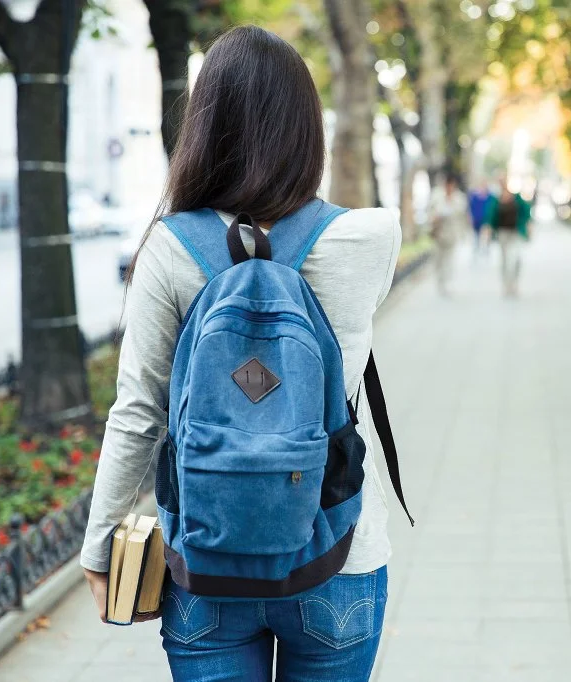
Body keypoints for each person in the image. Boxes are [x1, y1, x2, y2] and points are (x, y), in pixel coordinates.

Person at [79, 26, 400, 682]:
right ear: (307, 131)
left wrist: (101, 543)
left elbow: (138, 411)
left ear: (204, 126)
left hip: (207, 562)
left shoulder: (169, 247)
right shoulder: (370, 237)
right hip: (337, 555)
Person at [486, 180, 531, 296]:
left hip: (516, 233)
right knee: (505, 260)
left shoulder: (517, 199)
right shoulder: (497, 200)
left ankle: (514, 283)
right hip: (503, 234)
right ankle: (506, 285)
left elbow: (526, 214)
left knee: (516, 258)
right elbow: (491, 218)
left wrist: (529, 229)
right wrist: (489, 231)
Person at [429, 174, 468, 294]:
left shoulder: (460, 198)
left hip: (452, 233)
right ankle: (440, 281)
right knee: (438, 259)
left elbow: (461, 215)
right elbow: (431, 211)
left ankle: (447, 283)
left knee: (449, 260)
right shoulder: (436, 195)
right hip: (438, 233)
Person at [467, 179, 492, 252]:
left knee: (486, 236)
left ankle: (486, 249)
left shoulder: (490, 197)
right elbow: (471, 208)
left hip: (486, 220)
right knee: (476, 236)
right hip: (476, 220)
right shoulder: (475, 197)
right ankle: (476, 249)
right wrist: (470, 218)